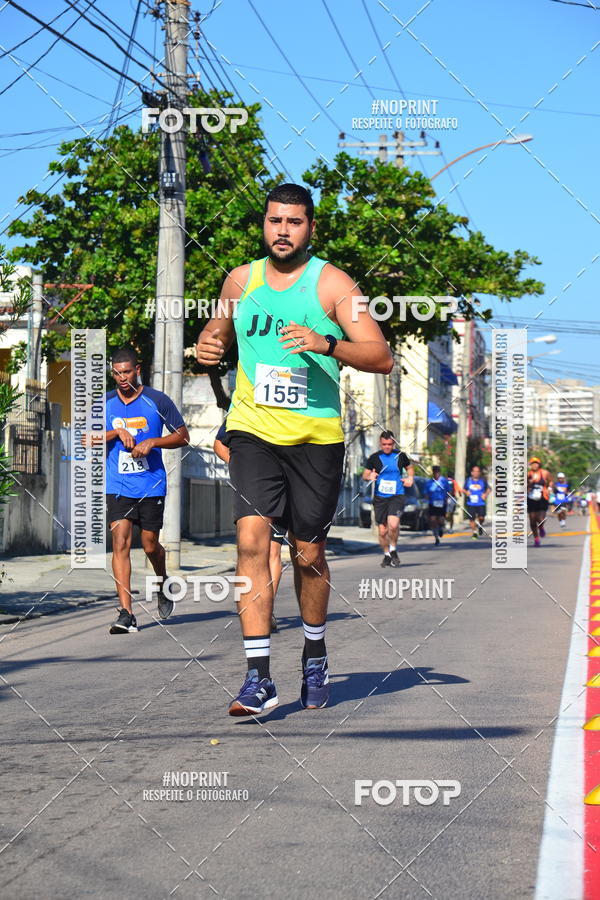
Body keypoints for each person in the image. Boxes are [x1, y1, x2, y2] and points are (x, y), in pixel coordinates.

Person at [196, 182, 393, 715]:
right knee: (252, 544)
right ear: (264, 224)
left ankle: (314, 653)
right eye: (274, 221)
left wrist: (326, 343)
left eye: (295, 222)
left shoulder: (332, 285)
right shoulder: (241, 279)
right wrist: (210, 338)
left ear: (311, 227)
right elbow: (221, 323)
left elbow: (381, 356)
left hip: (315, 438)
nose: (283, 231)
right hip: (253, 431)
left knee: (308, 554)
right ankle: (258, 678)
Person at [103, 347, 189, 633]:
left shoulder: (157, 400)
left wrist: (153, 442)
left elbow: (182, 436)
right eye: (117, 373)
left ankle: (163, 583)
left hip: (151, 484)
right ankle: (126, 613)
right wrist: (116, 433)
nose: (122, 378)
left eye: (127, 372)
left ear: (137, 370)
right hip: (118, 485)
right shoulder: (104, 404)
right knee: (121, 543)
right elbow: (86, 437)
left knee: (150, 545)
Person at [213, 421, 281, 633]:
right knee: (251, 549)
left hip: (281, 486)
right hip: (252, 487)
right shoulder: (243, 406)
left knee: (273, 550)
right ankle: (256, 607)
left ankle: (266, 609)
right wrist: (240, 467)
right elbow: (218, 443)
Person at [362, 431, 414, 567]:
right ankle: (386, 554)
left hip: (397, 495)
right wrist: (370, 476)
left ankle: (393, 549)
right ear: (380, 443)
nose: (387, 447)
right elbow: (365, 475)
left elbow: (409, 467)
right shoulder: (374, 458)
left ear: (394, 443)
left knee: (394, 525)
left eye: (390, 444)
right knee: (383, 530)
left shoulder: (400, 456)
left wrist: (410, 478)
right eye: (384, 444)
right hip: (380, 498)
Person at [527, 457, 552, 548]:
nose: (535, 465)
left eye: (536, 463)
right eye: (533, 463)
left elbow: (550, 481)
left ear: (539, 464)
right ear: (530, 465)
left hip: (542, 497)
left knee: (541, 519)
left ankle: (541, 527)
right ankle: (536, 539)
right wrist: (528, 484)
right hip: (531, 498)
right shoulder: (528, 474)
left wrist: (549, 488)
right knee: (532, 520)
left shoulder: (545, 473)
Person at [424, 465, 452, 545]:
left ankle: (441, 527)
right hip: (432, 503)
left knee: (440, 519)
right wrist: (426, 499)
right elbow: (426, 493)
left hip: (442, 502)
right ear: (433, 472)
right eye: (435, 472)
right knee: (432, 520)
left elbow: (449, 491)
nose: (436, 473)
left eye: (437, 472)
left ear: (439, 472)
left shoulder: (444, 481)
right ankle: (436, 538)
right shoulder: (429, 482)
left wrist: (448, 499)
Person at [462, 465, 490, 539]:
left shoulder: (483, 480)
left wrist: (485, 494)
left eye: (477, 471)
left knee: (481, 518)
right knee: (471, 519)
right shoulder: (468, 480)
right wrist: (466, 492)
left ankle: (480, 525)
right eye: (474, 471)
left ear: (479, 473)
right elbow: (463, 489)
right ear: (472, 472)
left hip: (480, 503)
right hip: (471, 503)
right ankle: (474, 532)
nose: (476, 473)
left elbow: (489, 489)